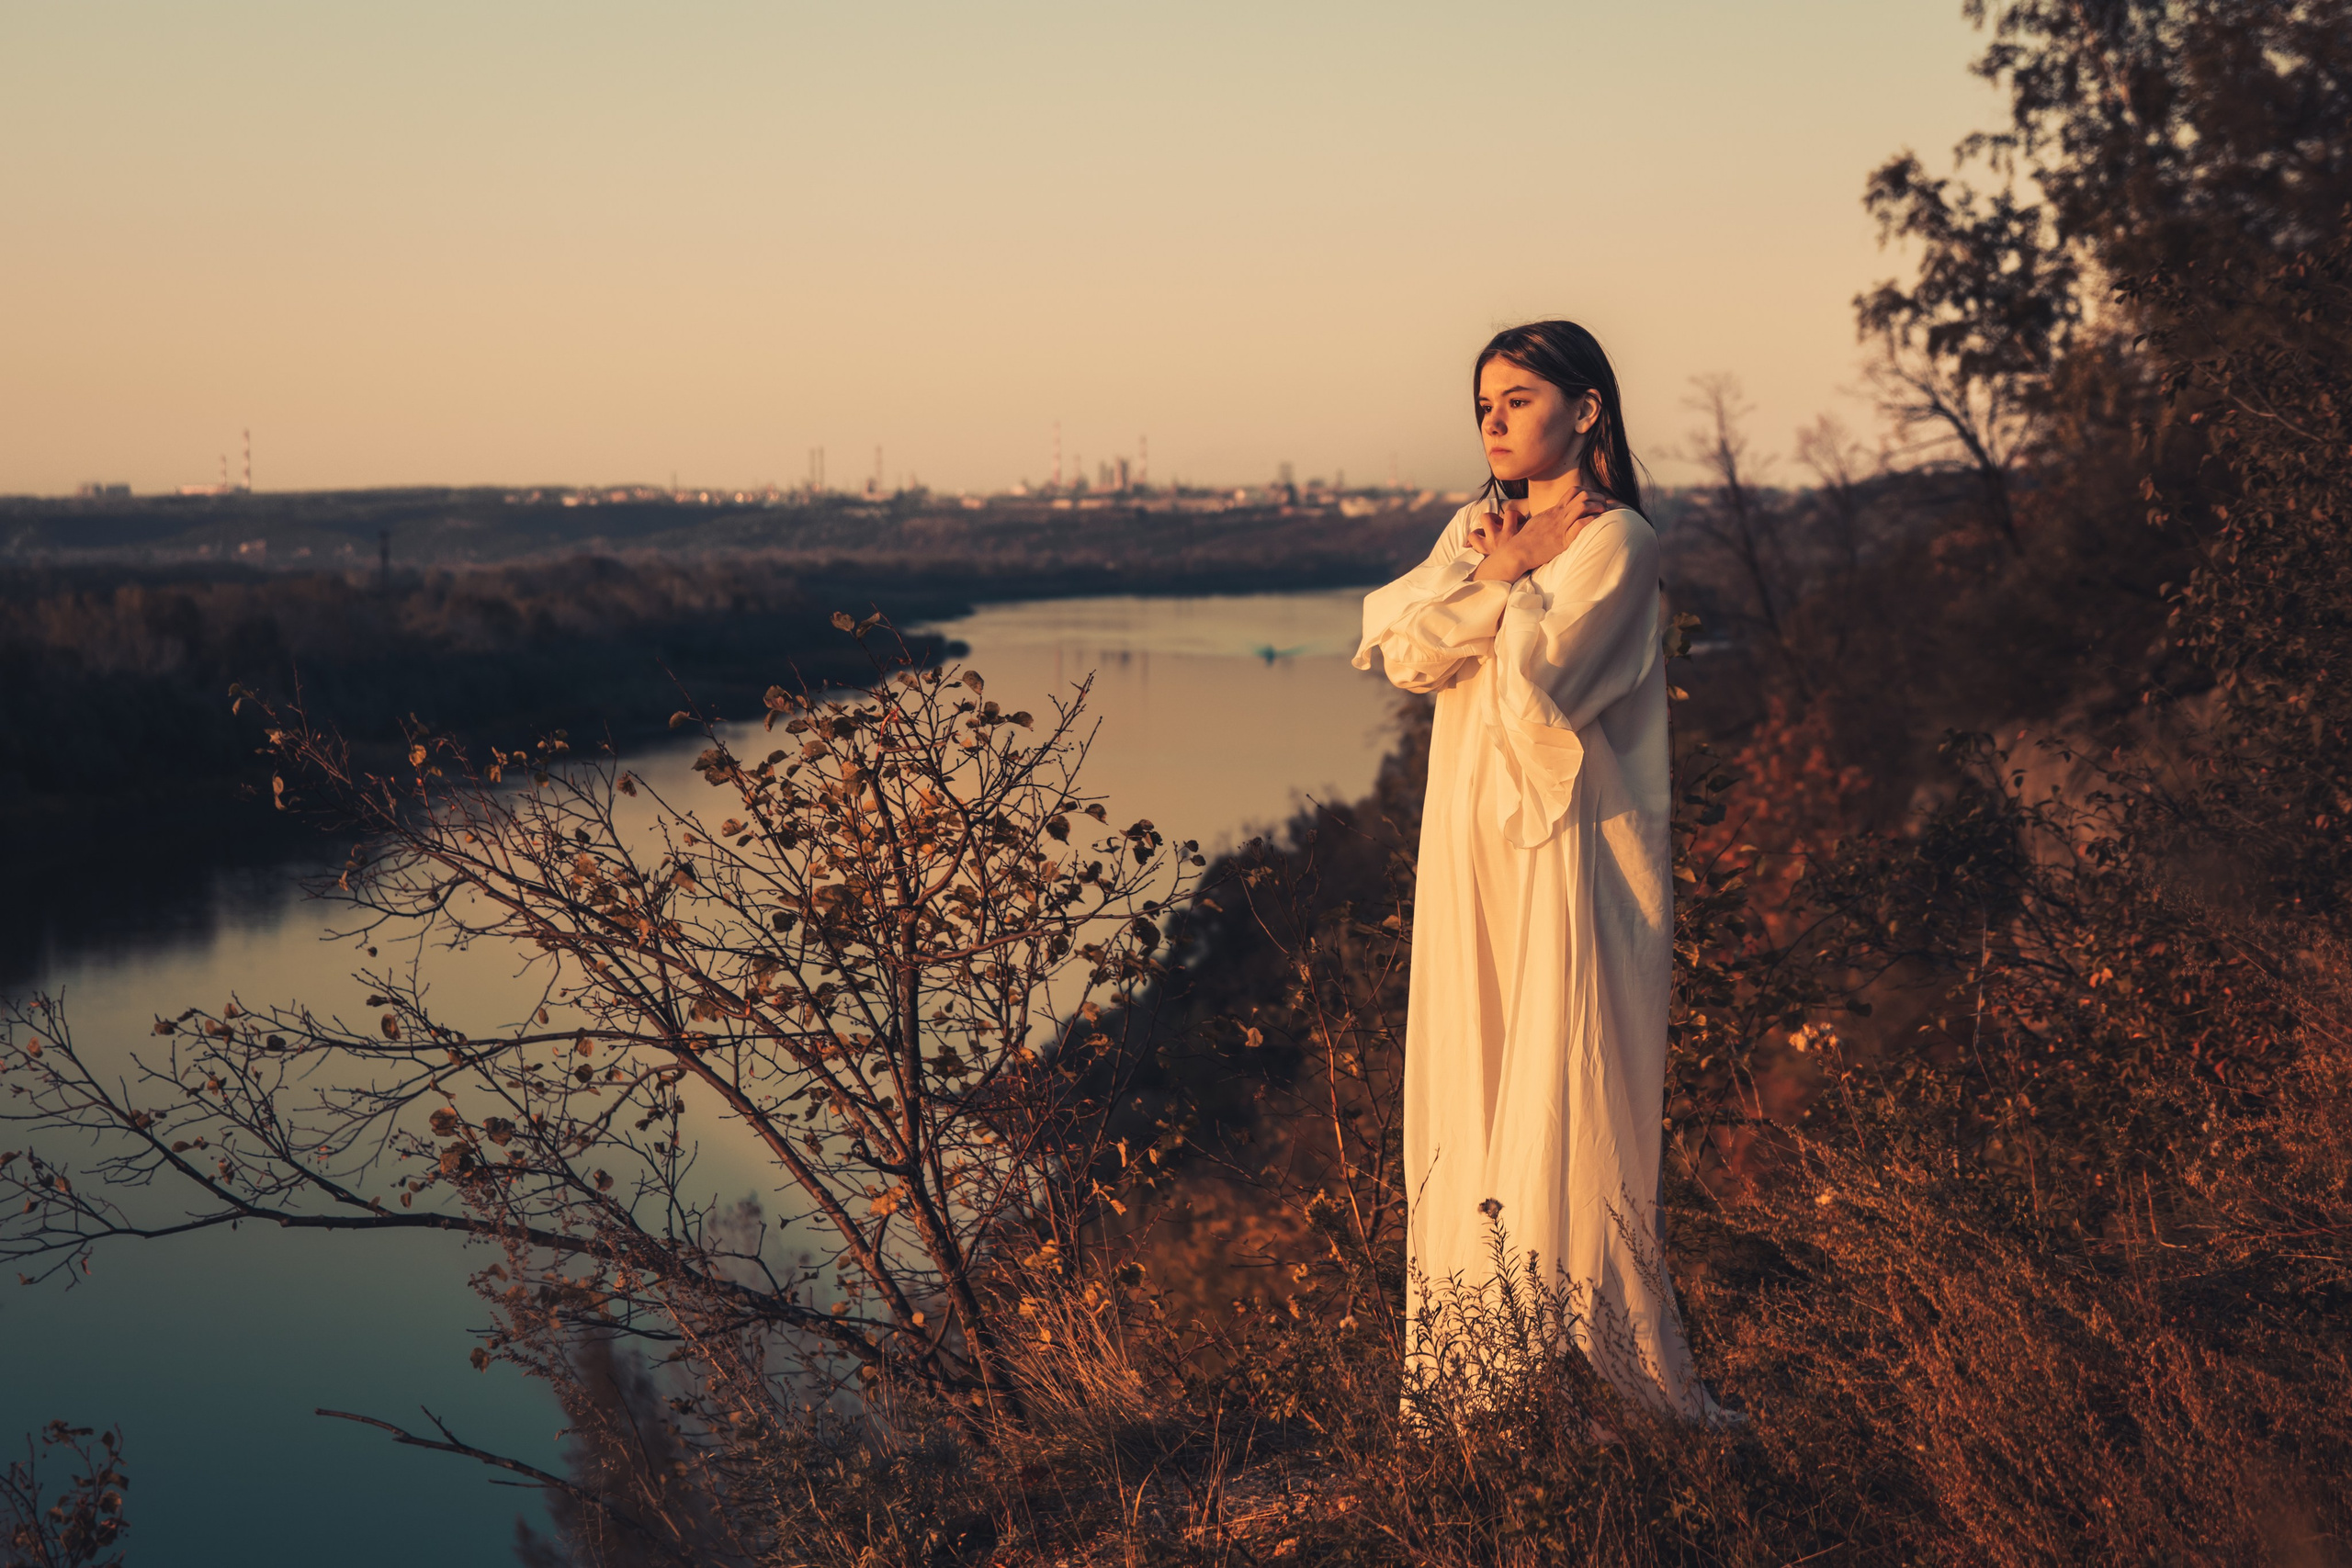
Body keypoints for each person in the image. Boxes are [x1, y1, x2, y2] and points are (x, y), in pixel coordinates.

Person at [1354, 319, 1726, 1423]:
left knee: (1566, 1070)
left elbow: (1538, 690)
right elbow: (1408, 653)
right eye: (1484, 405)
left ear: (1586, 408)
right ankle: (1480, 1377)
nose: (1495, 421)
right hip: (1469, 841)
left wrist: (1487, 592)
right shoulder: (1477, 526)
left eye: (1518, 398)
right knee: (1470, 1063)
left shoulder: (1619, 543)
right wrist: (1496, 574)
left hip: (1569, 845)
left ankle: (1585, 1372)